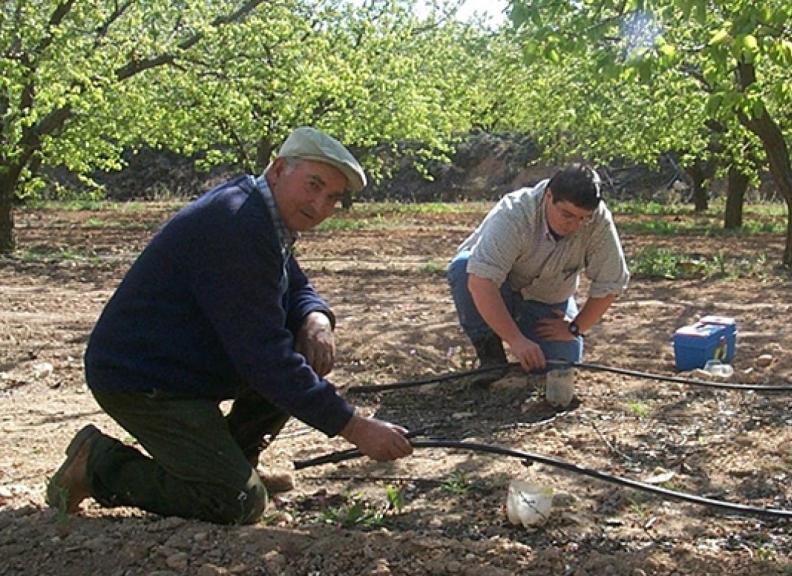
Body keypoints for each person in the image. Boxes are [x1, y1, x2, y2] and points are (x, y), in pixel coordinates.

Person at [46, 127, 413, 525]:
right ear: (278, 170)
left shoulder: (260, 212)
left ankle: (236, 463)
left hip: (186, 370)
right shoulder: (237, 224)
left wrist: (315, 318)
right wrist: (354, 427)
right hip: (144, 380)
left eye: (333, 198)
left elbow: (296, 284)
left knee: (297, 347)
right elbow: (264, 358)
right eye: (314, 185)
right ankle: (97, 466)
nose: (319, 204)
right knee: (236, 503)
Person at [447, 163, 629, 386]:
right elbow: (480, 282)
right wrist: (516, 341)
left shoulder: (598, 221)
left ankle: (531, 341)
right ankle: (491, 356)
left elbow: (611, 283)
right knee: (464, 267)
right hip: (498, 289)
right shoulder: (515, 212)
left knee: (561, 365)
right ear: (548, 196)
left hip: (546, 299)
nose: (575, 225)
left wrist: (575, 327)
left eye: (584, 218)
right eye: (567, 215)